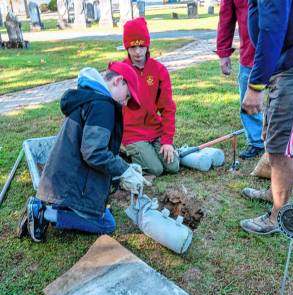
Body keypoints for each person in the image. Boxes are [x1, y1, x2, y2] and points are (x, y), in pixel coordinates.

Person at [17, 62, 149, 243]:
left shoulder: (90, 97)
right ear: (119, 81)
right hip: (69, 183)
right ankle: (45, 213)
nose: (125, 103)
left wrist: (125, 167)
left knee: (104, 211)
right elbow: (93, 152)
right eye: (127, 97)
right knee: (107, 223)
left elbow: (95, 148)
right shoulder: (104, 107)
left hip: (62, 176)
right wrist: (123, 171)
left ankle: (50, 206)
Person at [240, 0, 293, 235]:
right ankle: (274, 193)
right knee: (270, 137)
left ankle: (277, 217)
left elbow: (272, 28)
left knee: (279, 147)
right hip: (281, 67)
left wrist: (255, 84)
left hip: (289, 68)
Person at [121, 17, 180, 177]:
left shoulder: (159, 70)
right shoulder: (121, 72)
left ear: (147, 44)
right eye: (133, 47)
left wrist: (167, 141)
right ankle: (126, 153)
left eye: (141, 46)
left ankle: (154, 151)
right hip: (132, 132)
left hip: (155, 129)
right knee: (156, 169)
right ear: (127, 47)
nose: (138, 52)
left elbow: (168, 108)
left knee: (173, 167)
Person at [216, 0, 264, 159]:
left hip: (285, 54)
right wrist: (223, 53)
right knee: (248, 100)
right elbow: (226, 19)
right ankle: (257, 141)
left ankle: (286, 140)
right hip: (250, 56)